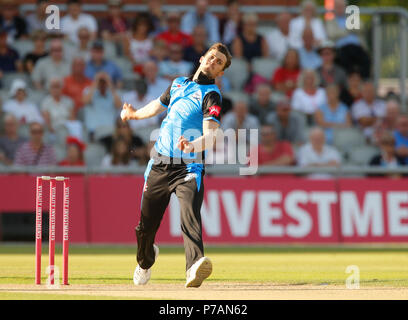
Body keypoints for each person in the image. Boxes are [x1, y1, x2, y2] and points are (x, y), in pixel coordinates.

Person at [120, 42, 232, 288]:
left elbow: (211, 135)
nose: (213, 63)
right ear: (202, 58)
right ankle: (145, 260)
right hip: (159, 163)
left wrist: (193, 146)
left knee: (189, 214)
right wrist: (133, 114)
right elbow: (157, 106)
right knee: (145, 228)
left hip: (189, 167)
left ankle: (194, 266)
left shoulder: (212, 96)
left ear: (220, 73)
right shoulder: (178, 83)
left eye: (219, 63)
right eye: (212, 58)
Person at [82, 72, 122, 136]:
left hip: (110, 130)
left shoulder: (113, 93)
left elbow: (119, 105)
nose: (102, 84)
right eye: (100, 81)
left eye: (104, 81)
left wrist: (109, 83)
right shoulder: (88, 91)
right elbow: (85, 101)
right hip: (93, 130)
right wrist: (95, 82)